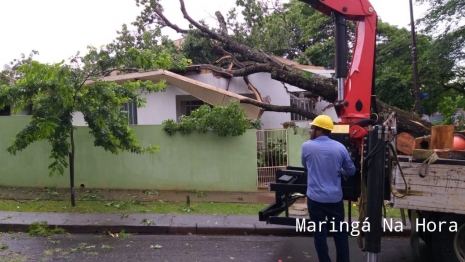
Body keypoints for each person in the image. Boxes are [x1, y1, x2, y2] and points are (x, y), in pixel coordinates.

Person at [301, 115, 356, 262]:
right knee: (340, 234)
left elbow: (306, 166)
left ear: (319, 131)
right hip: (335, 198)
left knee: (319, 234)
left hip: (315, 199)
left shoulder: (306, 146)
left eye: (312, 128)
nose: (310, 130)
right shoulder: (340, 147)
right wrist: (341, 172)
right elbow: (351, 170)